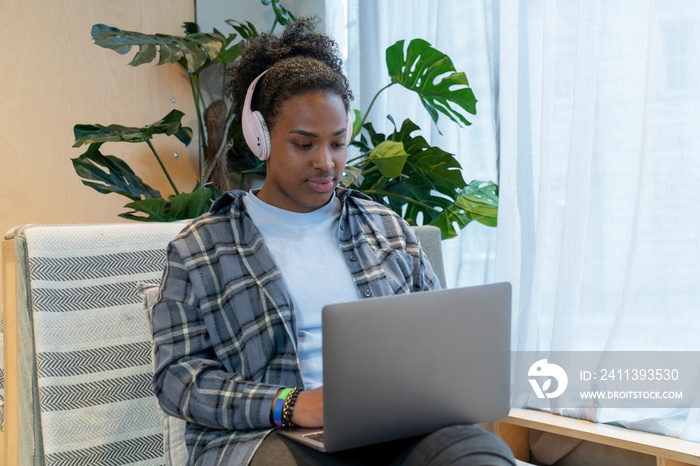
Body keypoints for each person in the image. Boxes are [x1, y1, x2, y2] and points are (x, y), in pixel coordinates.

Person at [151, 17, 516, 466]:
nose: (326, 163)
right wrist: (289, 404)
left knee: (480, 454)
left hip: (393, 426)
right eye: (304, 145)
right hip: (269, 435)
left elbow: (437, 347)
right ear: (260, 138)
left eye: (338, 143)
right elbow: (177, 379)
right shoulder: (199, 250)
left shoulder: (387, 230)